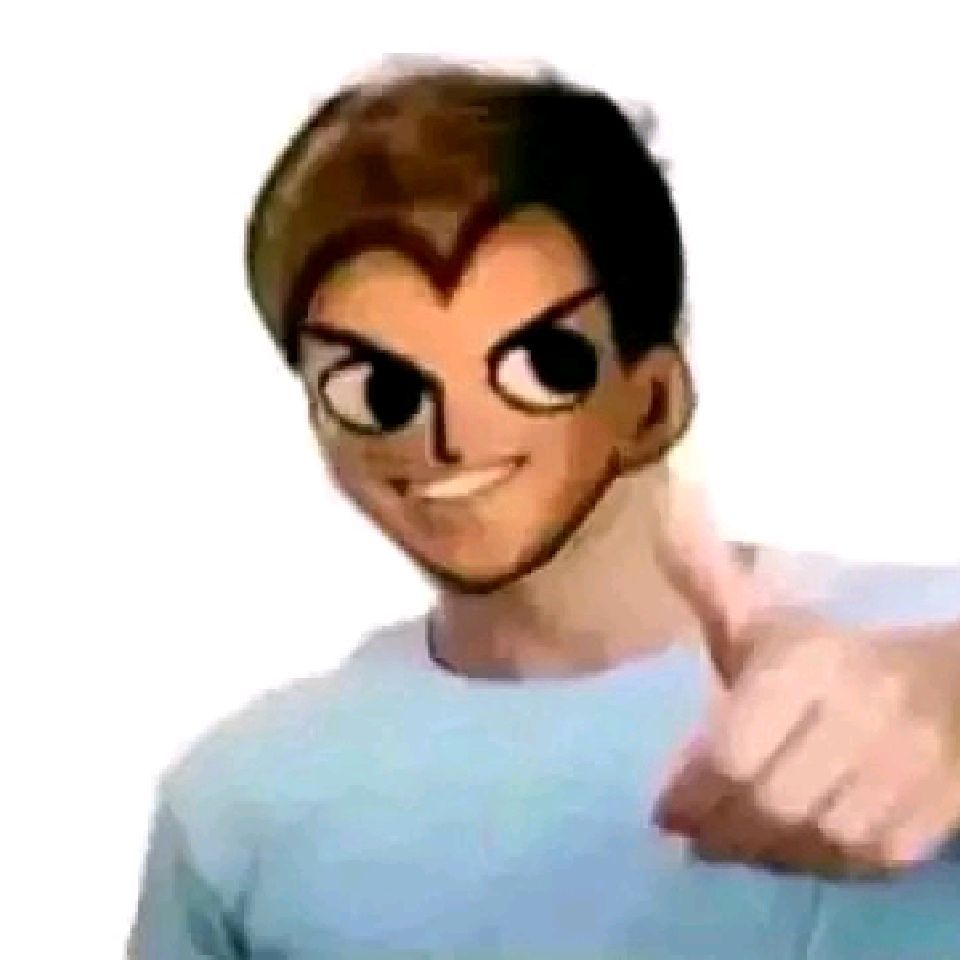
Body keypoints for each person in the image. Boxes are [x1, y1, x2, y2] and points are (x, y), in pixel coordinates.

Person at [128, 62, 960, 958]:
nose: (449, 437)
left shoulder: (920, 665)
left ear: (654, 393)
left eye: (537, 363)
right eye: (377, 387)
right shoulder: (240, 809)